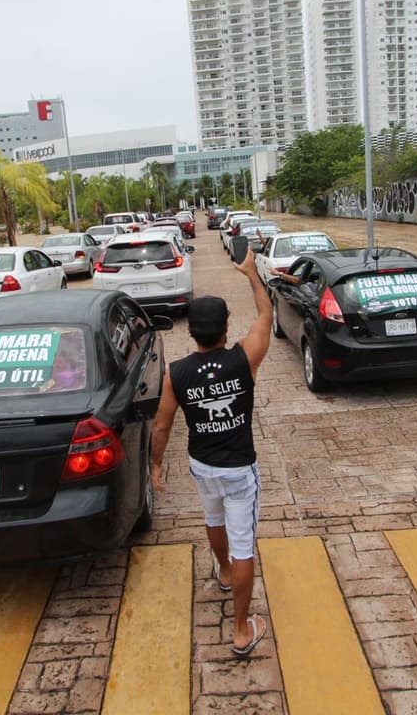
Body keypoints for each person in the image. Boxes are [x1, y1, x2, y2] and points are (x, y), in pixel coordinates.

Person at [150, 247, 272, 657]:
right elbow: (265, 318)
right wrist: (252, 274)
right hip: (240, 469)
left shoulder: (176, 373)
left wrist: (154, 466)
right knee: (244, 545)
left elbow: (163, 425)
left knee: (212, 518)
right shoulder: (243, 358)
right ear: (225, 328)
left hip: (202, 467)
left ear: (191, 333)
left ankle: (222, 571)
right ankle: (240, 629)